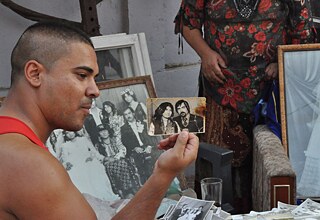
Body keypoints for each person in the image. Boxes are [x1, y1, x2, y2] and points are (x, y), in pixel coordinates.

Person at [0, 21, 199, 219]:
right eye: (81, 75)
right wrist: (164, 175)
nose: (95, 90)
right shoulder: (30, 164)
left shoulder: (12, 145)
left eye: (94, 78)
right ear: (35, 74)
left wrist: (163, 172)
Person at [174, 0, 315, 213]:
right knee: (215, 169)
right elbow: (188, 22)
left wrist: (283, 62)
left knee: (272, 168)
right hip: (219, 86)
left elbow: (302, 33)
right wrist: (205, 54)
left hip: (272, 92)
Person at [95, 124, 140, 199]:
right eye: (101, 132)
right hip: (109, 163)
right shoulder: (98, 145)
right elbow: (98, 155)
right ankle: (121, 190)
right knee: (110, 167)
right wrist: (106, 158)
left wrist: (116, 157)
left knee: (122, 164)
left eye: (105, 131)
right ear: (99, 134)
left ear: (108, 132)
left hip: (119, 159)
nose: (104, 133)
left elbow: (122, 149)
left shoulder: (115, 139)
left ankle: (129, 188)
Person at [120, 106, 158, 184]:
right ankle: (148, 185)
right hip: (136, 150)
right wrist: (134, 148)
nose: (128, 116)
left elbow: (152, 137)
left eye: (129, 113)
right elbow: (125, 142)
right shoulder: (124, 128)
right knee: (141, 164)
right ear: (124, 117)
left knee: (156, 157)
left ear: (133, 113)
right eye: (126, 114)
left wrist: (149, 146)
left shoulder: (143, 123)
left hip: (148, 147)